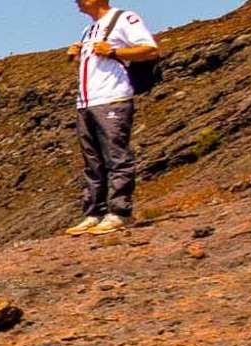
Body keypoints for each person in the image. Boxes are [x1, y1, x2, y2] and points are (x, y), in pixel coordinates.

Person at [66, 2, 161, 236]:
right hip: (87, 103)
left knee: (116, 157)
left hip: (112, 99)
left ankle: (119, 213)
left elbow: (150, 50)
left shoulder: (124, 18)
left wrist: (114, 51)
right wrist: (77, 53)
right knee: (93, 161)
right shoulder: (89, 31)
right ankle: (93, 213)